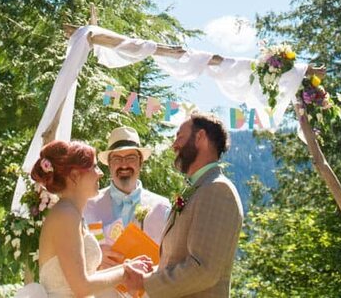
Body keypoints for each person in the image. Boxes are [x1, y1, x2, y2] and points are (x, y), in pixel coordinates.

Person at [122, 112, 242, 298]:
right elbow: (178, 261)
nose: (174, 145)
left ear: (200, 137)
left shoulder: (217, 190)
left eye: (180, 136)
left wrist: (145, 282)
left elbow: (204, 269)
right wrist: (149, 273)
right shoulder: (201, 187)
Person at [30, 139, 153, 298]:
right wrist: (125, 272)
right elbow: (82, 286)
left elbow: (87, 276)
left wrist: (128, 266)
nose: (100, 173)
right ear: (75, 176)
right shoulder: (65, 215)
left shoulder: (71, 212)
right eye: (94, 167)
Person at [84, 126, 171, 264]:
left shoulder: (162, 207)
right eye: (117, 159)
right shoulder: (88, 205)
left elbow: (170, 257)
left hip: (147, 284)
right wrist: (93, 257)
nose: (124, 165)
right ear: (109, 165)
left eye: (130, 158)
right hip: (101, 284)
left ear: (140, 162)